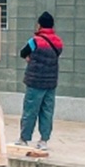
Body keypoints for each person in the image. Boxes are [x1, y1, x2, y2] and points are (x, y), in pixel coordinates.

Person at [17, 11, 63, 156]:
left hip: (35, 82)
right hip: (51, 83)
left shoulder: (35, 40)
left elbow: (23, 53)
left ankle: (24, 138)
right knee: (47, 111)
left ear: (40, 25)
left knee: (30, 110)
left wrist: (30, 57)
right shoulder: (58, 41)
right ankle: (43, 140)